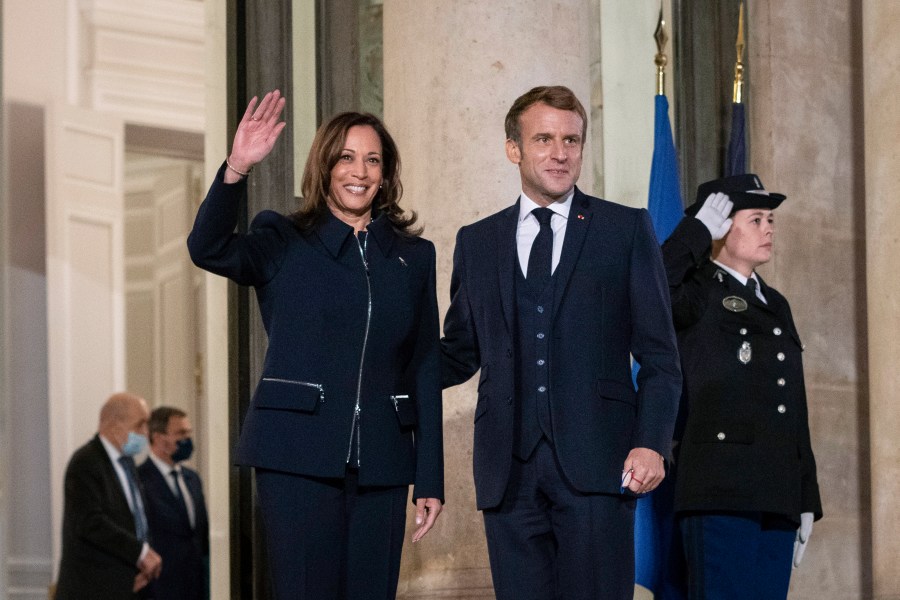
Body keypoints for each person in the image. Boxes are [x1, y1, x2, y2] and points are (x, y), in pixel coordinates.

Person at [186, 89, 443, 599]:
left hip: (384, 462)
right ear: (324, 166)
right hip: (295, 456)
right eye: (346, 157)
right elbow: (207, 247)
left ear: (386, 173)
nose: (359, 171)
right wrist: (237, 167)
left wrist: (430, 475)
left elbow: (424, 365)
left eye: (373, 160)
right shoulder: (282, 239)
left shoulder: (413, 256)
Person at [440, 85, 682, 599]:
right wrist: (383, 360)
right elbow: (460, 350)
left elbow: (661, 356)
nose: (560, 153)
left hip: (600, 465)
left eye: (571, 140)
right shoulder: (477, 241)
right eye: (544, 139)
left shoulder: (624, 229)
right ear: (514, 149)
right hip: (508, 473)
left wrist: (651, 442)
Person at [661, 175, 823, 599]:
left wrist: (806, 495)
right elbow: (649, 288)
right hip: (720, 489)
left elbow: (793, 403)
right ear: (721, 228)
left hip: (777, 492)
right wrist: (694, 233)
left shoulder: (775, 302)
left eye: (771, 220)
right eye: (755, 220)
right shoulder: (696, 290)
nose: (768, 229)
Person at [55, 392, 163, 599]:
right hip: (91, 590)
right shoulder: (85, 462)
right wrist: (140, 552)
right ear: (114, 426)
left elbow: (135, 519)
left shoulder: (127, 463)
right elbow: (90, 522)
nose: (146, 432)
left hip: (127, 586)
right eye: (140, 425)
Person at [137, 407, 209, 600]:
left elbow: (200, 535)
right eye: (181, 433)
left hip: (194, 587)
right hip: (159, 588)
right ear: (158, 438)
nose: (187, 439)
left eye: (188, 432)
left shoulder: (192, 479)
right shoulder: (139, 480)